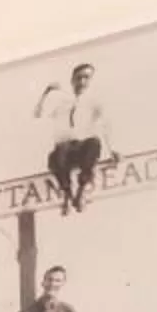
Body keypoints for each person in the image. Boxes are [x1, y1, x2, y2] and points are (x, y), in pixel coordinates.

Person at [34, 62, 110, 215]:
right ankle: (67, 195)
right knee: (58, 153)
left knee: (94, 143)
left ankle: (81, 190)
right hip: (66, 150)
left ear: (91, 81)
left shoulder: (94, 101)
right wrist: (45, 94)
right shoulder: (61, 101)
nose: (82, 82)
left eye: (86, 78)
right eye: (79, 78)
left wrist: (113, 149)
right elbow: (37, 115)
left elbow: (105, 125)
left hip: (84, 149)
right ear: (72, 80)